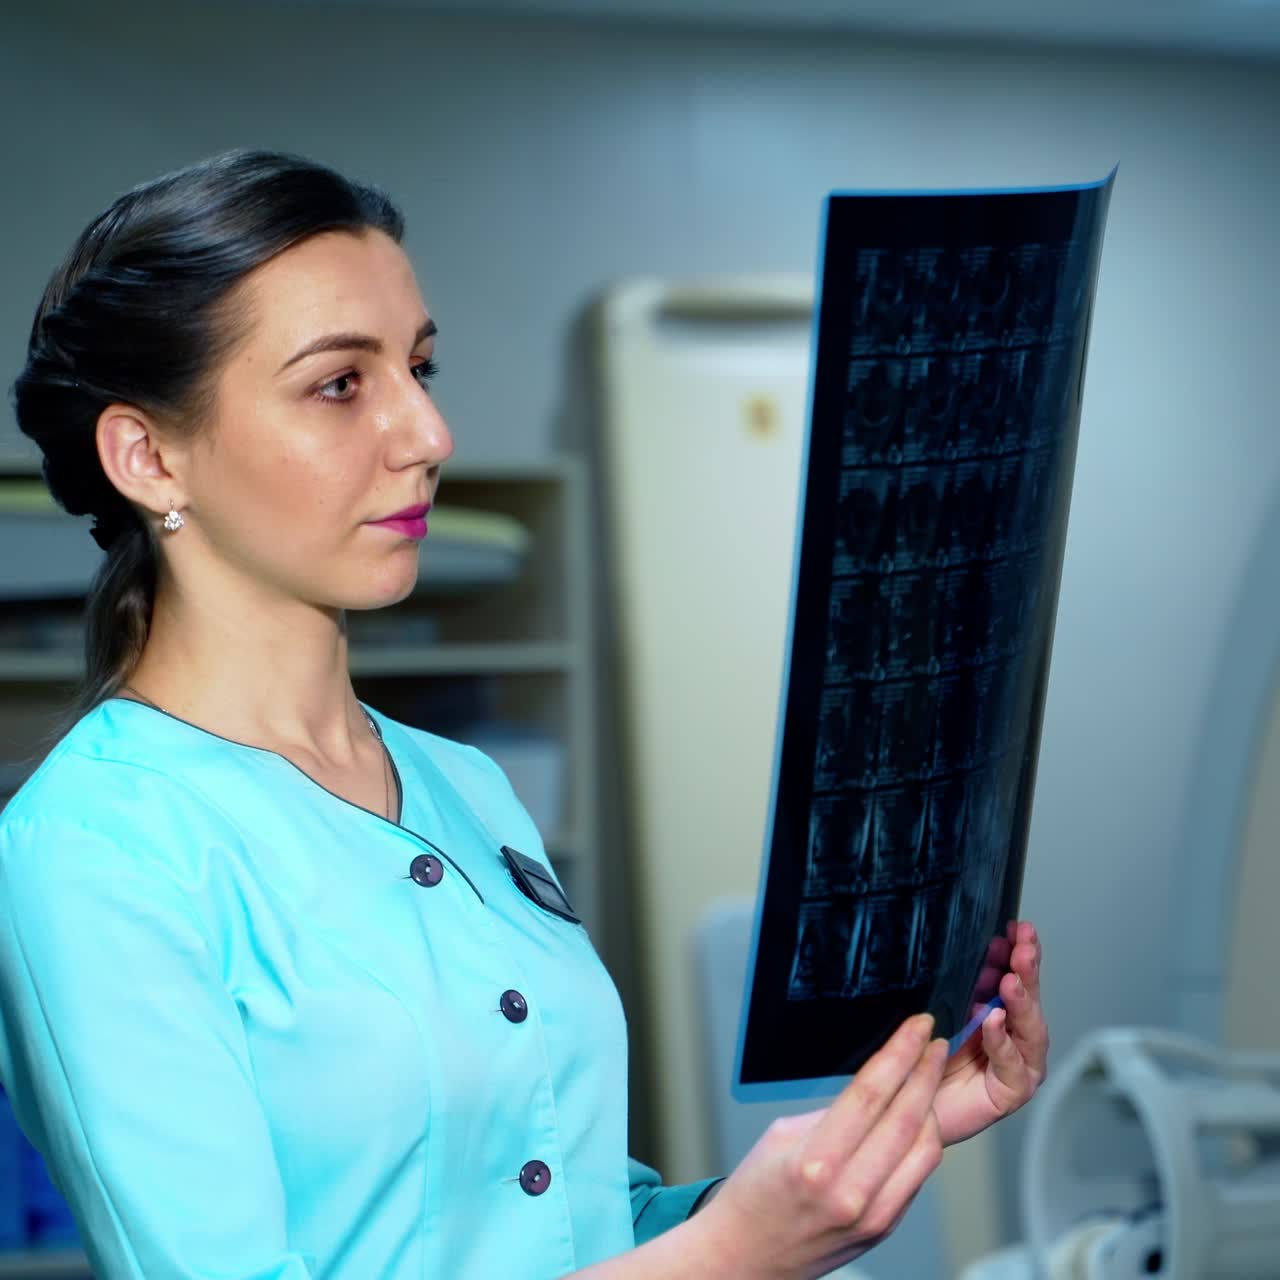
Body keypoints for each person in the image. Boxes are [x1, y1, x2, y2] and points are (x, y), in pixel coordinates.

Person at [0, 150, 1048, 1279]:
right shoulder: (92, 850)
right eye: (341, 384)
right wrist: (732, 1258)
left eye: (420, 366)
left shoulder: (463, 783)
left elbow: (585, 1227)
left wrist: (852, 1160)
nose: (427, 434)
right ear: (147, 455)